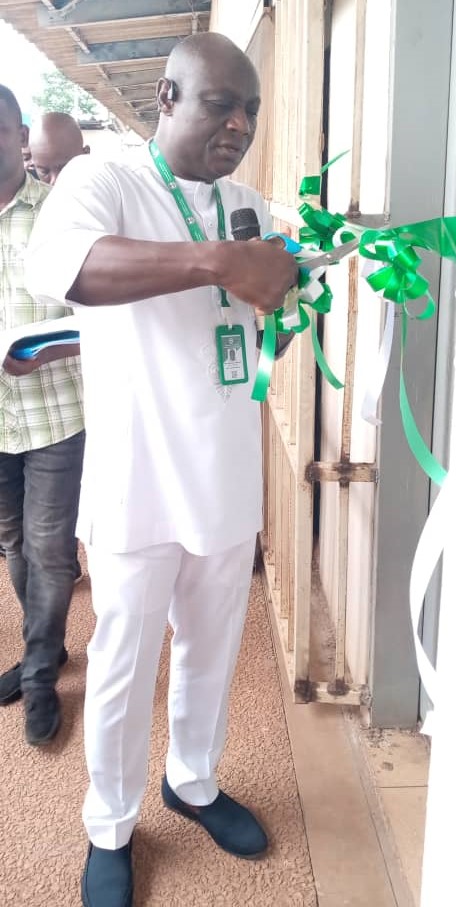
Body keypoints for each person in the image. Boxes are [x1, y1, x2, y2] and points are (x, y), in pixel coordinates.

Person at [26, 33, 298, 907]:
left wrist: (305, 283)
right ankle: (109, 823)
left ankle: (194, 780)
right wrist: (215, 261)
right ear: (167, 99)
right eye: (221, 103)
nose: (240, 124)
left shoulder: (248, 204)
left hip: (225, 476)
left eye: (250, 109)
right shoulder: (102, 182)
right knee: (122, 663)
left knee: (213, 651)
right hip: (136, 483)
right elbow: (66, 267)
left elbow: (295, 285)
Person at [0, 85, 85, 746]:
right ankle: (44, 649)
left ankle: (37, 678)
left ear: (20, 137)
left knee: (51, 550)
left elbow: (101, 312)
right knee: (14, 542)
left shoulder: (59, 212)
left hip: (55, 412)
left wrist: (44, 348)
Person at [28, 111, 91, 583]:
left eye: (62, 168)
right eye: (41, 171)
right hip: (25, 399)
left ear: (85, 156)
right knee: (23, 536)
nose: (52, 182)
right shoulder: (35, 214)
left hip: (77, 399)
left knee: (56, 529)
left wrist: (54, 348)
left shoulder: (106, 215)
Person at [28, 111, 90, 186]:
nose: (54, 182)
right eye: (44, 172)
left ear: (85, 155)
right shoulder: (27, 187)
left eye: (65, 169)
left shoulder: (100, 186)